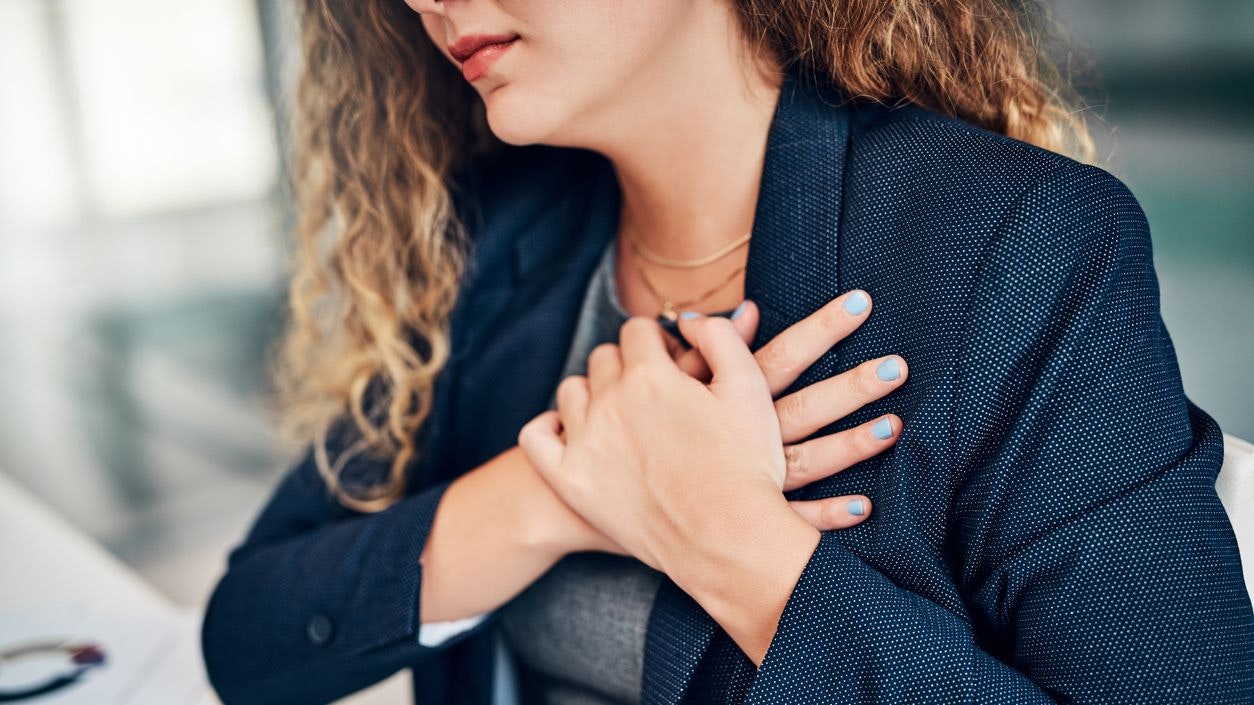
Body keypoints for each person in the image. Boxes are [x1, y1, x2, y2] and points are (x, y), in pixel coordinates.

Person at [201, 1, 1254, 704]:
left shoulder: (1013, 246)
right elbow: (250, 638)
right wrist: (562, 486)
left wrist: (728, 541)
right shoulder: (495, 240)